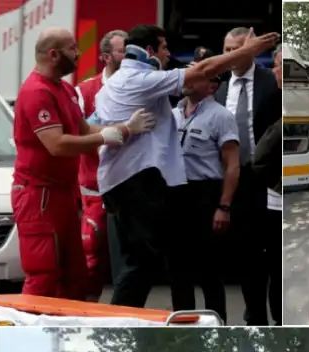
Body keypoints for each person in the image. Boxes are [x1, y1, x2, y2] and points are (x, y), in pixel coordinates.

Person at [94, 24, 278, 309]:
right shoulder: (143, 79)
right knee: (146, 265)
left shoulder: (114, 84)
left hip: (160, 188)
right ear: (150, 51)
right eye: (165, 47)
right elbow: (200, 70)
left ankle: (185, 320)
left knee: (167, 262)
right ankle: (125, 323)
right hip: (140, 185)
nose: (169, 54)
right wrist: (248, 50)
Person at [11, 28, 154, 300]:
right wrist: (107, 136)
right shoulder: (36, 92)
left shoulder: (64, 89)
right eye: (72, 48)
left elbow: (83, 128)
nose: (78, 53)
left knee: (75, 276)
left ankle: (67, 338)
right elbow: (57, 144)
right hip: (38, 195)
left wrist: (125, 128)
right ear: (54, 54)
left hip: (63, 194)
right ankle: (26, 339)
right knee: (43, 275)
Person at [215, 27, 282, 325]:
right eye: (227, 49)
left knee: (277, 257)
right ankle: (255, 317)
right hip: (235, 183)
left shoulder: (274, 82)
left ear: (252, 49)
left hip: (270, 183)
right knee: (248, 257)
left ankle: (281, 316)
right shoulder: (217, 89)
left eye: (237, 49)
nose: (230, 55)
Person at [170, 47, 241, 323]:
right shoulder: (173, 113)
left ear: (212, 85)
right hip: (176, 197)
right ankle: (182, 326)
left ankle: (217, 326)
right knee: (178, 270)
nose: (188, 78)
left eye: (197, 74)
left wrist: (224, 206)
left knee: (208, 271)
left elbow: (232, 165)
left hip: (205, 197)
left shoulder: (220, 116)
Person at [76, 29, 128, 301]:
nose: (128, 56)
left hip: (128, 184)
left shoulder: (140, 86)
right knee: (92, 258)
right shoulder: (84, 91)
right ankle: (88, 312)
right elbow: (74, 136)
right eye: (123, 51)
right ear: (105, 57)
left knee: (128, 259)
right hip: (95, 187)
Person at [251, 43, 284, 326]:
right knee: (276, 266)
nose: (275, 71)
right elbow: (259, 158)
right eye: (275, 65)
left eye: (280, 65)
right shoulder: (271, 101)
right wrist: (278, 184)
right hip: (274, 200)